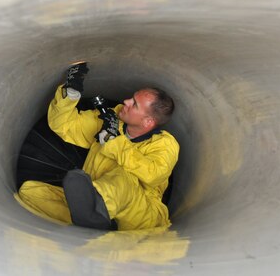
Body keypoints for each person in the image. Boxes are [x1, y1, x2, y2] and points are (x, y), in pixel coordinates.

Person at [17, 62, 180, 231]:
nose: (126, 101)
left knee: (124, 179)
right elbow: (64, 125)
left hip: (140, 217)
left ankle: (96, 212)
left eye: (134, 104)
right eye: (131, 98)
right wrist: (70, 94)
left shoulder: (165, 144)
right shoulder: (112, 120)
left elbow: (153, 174)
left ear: (148, 121)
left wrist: (114, 141)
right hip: (93, 200)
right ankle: (98, 221)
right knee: (30, 192)